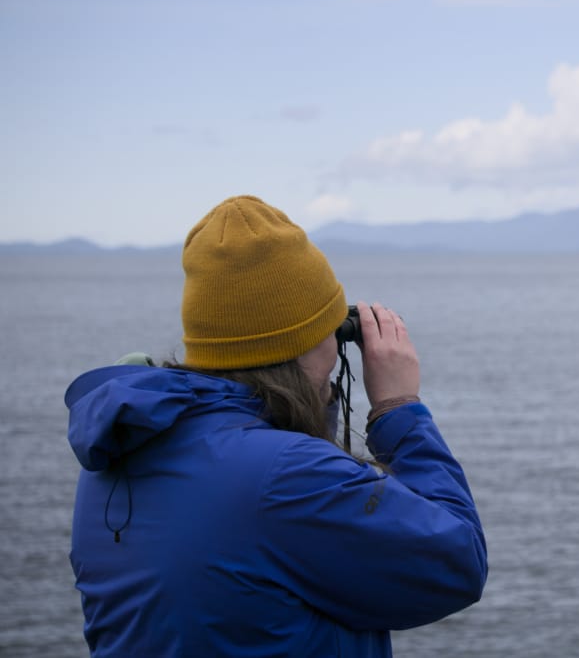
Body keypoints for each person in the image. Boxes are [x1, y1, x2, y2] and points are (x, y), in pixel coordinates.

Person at [65, 195, 487, 657]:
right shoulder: (288, 475)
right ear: (307, 345)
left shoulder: (117, 451)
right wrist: (398, 407)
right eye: (331, 328)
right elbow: (457, 563)